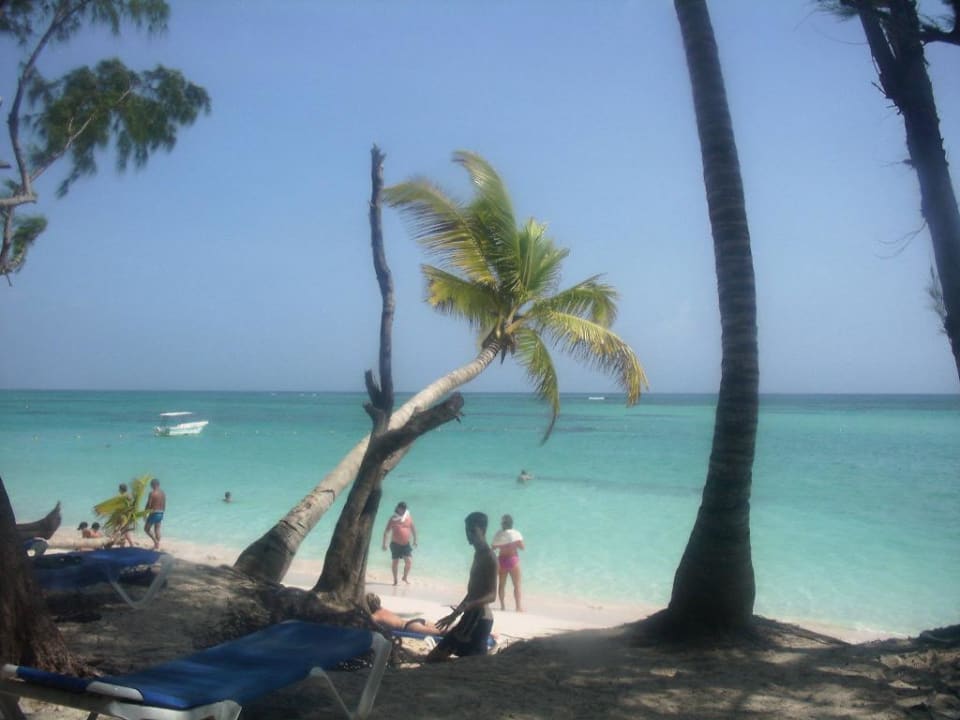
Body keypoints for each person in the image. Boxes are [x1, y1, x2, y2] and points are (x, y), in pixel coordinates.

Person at [426, 511, 498, 662]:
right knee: (434, 659)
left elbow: (492, 595)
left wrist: (469, 605)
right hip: (469, 616)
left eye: (473, 531)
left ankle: (490, 655)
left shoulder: (489, 557)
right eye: (467, 530)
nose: (469, 534)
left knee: (468, 665)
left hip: (480, 620)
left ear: (483, 530)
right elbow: (473, 592)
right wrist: (453, 615)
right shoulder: (478, 554)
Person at [365, 593, 443, 636]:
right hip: (416, 620)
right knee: (444, 629)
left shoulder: (375, 616)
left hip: (410, 627)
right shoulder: (384, 609)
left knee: (441, 633)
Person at [491, 514, 525, 612]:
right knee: (517, 585)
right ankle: (518, 607)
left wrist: (502, 543)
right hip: (513, 560)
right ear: (511, 523)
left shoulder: (499, 534)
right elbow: (522, 547)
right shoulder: (516, 534)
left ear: (503, 524)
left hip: (501, 560)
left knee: (502, 584)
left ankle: (502, 606)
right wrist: (513, 543)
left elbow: (493, 547)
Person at [382, 501, 417, 585]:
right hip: (395, 544)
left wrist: (415, 540)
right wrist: (384, 543)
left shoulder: (408, 517)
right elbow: (386, 531)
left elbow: (413, 529)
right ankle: (395, 580)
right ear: (398, 508)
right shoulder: (393, 519)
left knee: (408, 561)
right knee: (395, 562)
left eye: (404, 509)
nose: (403, 510)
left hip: (406, 544)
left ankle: (404, 577)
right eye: (401, 508)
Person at [143, 478, 166, 550]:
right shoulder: (163, 493)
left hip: (154, 513)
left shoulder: (152, 493)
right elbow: (164, 504)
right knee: (157, 529)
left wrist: (144, 513)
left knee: (146, 529)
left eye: (151, 485)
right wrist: (162, 512)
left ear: (153, 485)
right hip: (161, 512)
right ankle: (157, 546)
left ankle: (156, 542)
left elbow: (149, 505)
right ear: (158, 485)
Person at [117, 483, 135, 547]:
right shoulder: (129, 495)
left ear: (121, 489)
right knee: (125, 531)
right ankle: (131, 544)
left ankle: (122, 545)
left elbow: (120, 507)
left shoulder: (122, 496)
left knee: (122, 531)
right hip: (129, 515)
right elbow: (132, 506)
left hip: (124, 515)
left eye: (119, 489)